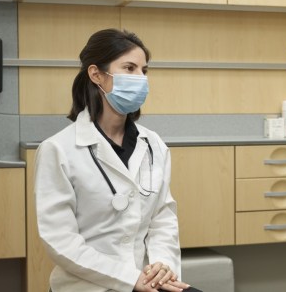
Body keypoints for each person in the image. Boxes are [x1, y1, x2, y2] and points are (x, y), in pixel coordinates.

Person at [34, 29, 201, 292]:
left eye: (144, 71)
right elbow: (61, 241)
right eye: (129, 68)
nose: (140, 79)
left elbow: (162, 218)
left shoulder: (153, 145)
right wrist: (128, 279)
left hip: (149, 280)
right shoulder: (58, 150)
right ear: (96, 74)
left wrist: (162, 265)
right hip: (89, 285)